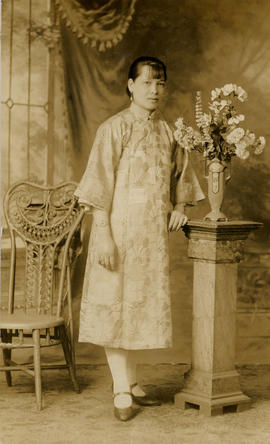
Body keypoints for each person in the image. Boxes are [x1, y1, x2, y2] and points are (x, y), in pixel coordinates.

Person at [74, 56, 205, 421]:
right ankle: (120, 391)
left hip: (149, 241)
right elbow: (98, 188)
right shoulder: (113, 129)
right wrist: (103, 238)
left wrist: (180, 205)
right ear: (131, 85)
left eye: (160, 83)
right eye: (147, 82)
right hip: (116, 233)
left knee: (137, 311)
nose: (155, 90)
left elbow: (181, 176)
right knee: (116, 309)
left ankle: (131, 384)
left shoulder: (167, 132)